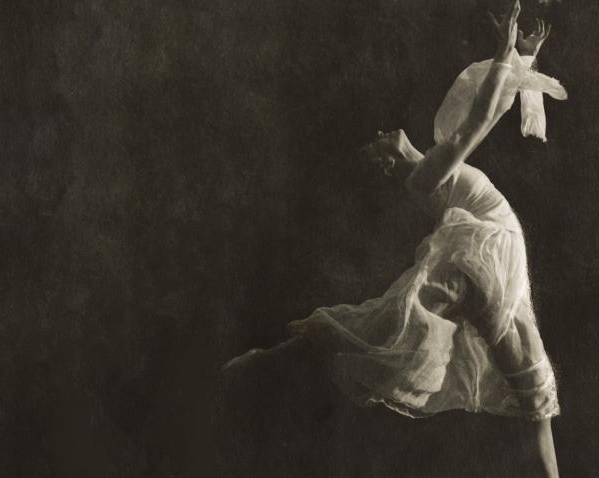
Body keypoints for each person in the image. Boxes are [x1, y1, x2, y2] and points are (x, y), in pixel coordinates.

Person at [223, 2, 563, 476]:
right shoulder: (425, 176)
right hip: (481, 258)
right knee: (387, 326)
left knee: (534, 394)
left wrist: (521, 59)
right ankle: (271, 359)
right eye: (380, 139)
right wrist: (505, 50)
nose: (387, 131)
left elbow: (493, 103)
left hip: (497, 258)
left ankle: (273, 359)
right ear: (388, 161)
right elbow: (481, 118)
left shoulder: (435, 158)